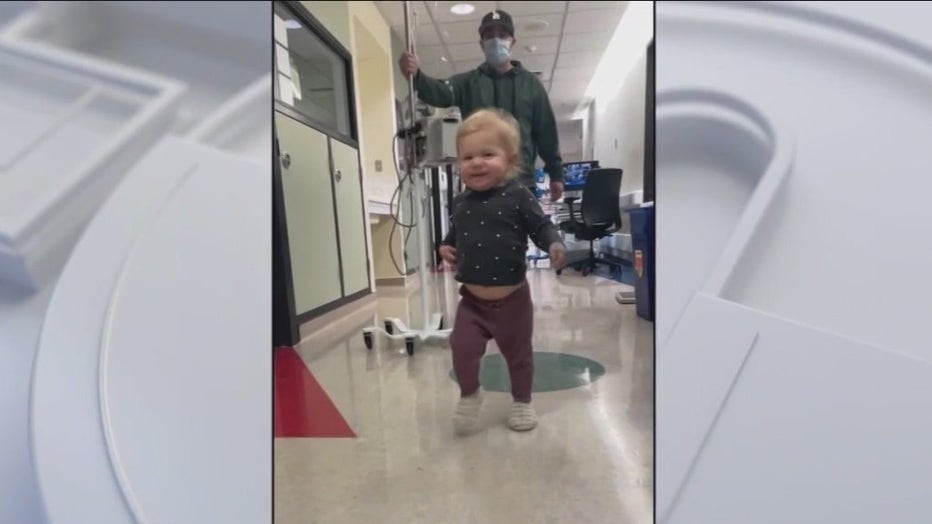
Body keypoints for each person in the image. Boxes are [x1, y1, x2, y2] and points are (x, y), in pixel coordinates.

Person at [439, 108, 567, 435]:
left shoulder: (518, 196)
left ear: (509, 161)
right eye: (467, 157)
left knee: (518, 355)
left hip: (512, 301)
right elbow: (454, 236)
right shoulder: (460, 203)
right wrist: (444, 247)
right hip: (472, 302)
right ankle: (470, 394)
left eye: (487, 154)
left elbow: (540, 226)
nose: (476, 163)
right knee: (461, 347)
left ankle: (522, 401)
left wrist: (553, 243)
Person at [399, 9, 565, 201]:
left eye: (502, 35)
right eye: (489, 36)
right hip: (481, 184)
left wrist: (556, 175)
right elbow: (440, 94)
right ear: (481, 43)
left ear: (513, 41)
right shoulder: (468, 82)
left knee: (526, 231)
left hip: (521, 182)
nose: (496, 40)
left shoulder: (531, 85)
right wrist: (416, 75)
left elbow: (546, 133)